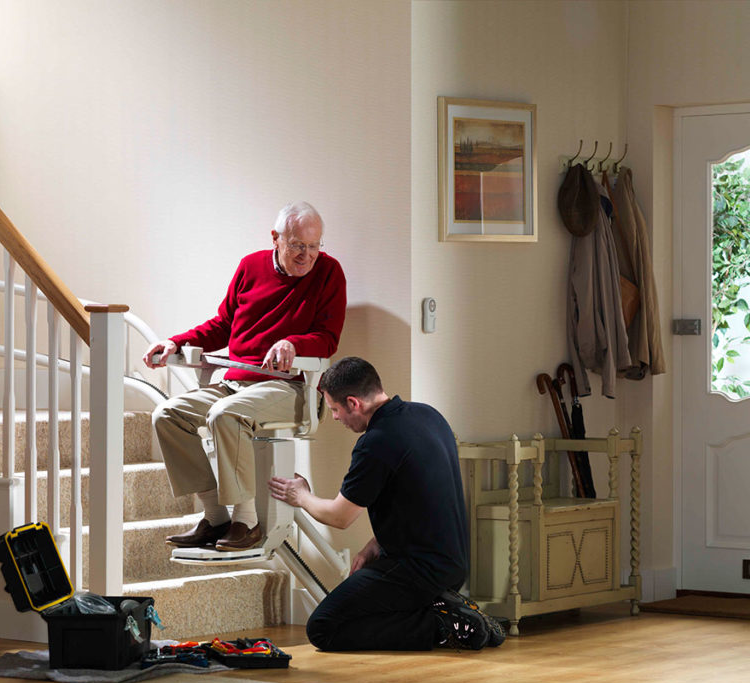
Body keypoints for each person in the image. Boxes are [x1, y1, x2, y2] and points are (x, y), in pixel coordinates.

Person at [144, 202, 346, 552]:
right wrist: (176, 341)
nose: (307, 256)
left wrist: (293, 344)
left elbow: (328, 338)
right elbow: (223, 325)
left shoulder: (329, 273)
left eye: (314, 246)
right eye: (298, 245)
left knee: (227, 414)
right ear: (276, 239)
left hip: (291, 388)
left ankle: (246, 520)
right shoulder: (250, 267)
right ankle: (215, 517)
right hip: (236, 384)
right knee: (168, 415)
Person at [268, 356, 503, 652]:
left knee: (323, 627)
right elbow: (423, 497)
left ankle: (444, 626)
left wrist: (300, 495)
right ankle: (451, 611)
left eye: (335, 410)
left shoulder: (376, 442)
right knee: (364, 604)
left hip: (416, 570)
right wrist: (377, 541)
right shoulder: (428, 416)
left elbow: (340, 517)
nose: (336, 418)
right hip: (451, 565)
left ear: (353, 403)